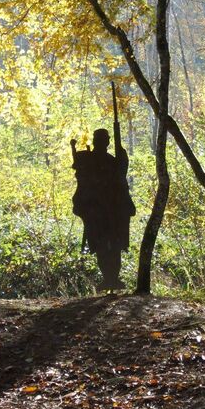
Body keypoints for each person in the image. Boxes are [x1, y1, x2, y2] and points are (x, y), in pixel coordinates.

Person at [71, 124, 135, 291]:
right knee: (100, 244)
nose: (103, 143)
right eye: (100, 140)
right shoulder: (88, 160)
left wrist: (123, 157)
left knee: (115, 245)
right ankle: (108, 278)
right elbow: (82, 179)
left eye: (105, 140)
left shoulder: (113, 161)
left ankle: (113, 278)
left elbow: (120, 178)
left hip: (113, 211)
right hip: (95, 211)